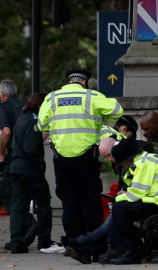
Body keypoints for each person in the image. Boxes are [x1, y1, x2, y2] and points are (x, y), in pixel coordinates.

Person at [37, 70, 123, 242]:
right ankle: (93, 241)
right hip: (87, 158)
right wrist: (100, 117)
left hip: (61, 158)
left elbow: (41, 125)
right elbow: (117, 111)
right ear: (84, 83)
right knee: (91, 199)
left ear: (69, 81)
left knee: (69, 201)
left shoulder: (52, 98)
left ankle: (73, 241)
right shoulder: (92, 97)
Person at [104, 139, 158, 264]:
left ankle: (128, 252)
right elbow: (140, 191)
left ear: (127, 160)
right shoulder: (146, 159)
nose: (122, 166)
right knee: (121, 208)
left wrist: (116, 198)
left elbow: (136, 194)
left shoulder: (143, 164)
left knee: (120, 208)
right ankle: (118, 249)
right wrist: (124, 195)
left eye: (122, 163)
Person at [9, 93, 64, 254]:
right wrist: (40, 163)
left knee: (19, 206)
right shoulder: (34, 121)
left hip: (16, 169)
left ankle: (16, 242)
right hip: (31, 171)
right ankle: (44, 241)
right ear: (41, 106)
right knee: (44, 205)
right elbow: (31, 148)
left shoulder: (21, 119)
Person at [0, 79, 37, 250]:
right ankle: (24, 232)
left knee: (6, 191)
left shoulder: (3, 107)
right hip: (31, 157)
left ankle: (26, 224)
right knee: (23, 194)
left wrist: (1, 153)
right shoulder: (26, 107)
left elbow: (6, 131)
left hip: (15, 157)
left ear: (2, 95)